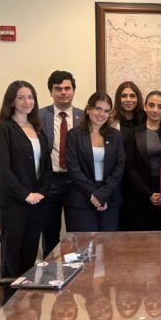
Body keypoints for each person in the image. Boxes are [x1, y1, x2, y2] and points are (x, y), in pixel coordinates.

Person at [0, 81, 52, 301]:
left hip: (37, 202)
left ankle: (25, 304)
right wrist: (25, 195)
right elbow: (1, 170)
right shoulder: (0, 129)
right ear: (11, 101)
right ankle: (9, 304)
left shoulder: (38, 130)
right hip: (13, 202)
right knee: (12, 256)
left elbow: (46, 167)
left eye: (31, 97)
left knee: (29, 255)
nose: (27, 102)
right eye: (21, 97)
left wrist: (41, 192)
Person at [39, 70, 84, 258]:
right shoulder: (39, 116)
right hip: (51, 182)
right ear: (51, 91)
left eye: (67, 88)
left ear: (73, 90)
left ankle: (76, 278)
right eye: (58, 89)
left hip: (76, 183)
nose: (63, 92)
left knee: (76, 233)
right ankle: (49, 278)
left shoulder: (84, 118)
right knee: (50, 233)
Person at [65, 92, 125, 231]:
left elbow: (119, 167)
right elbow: (73, 168)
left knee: (108, 246)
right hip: (82, 197)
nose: (101, 114)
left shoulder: (115, 135)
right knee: (86, 247)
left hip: (110, 197)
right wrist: (94, 194)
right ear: (88, 109)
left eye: (106, 111)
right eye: (98, 108)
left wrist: (102, 194)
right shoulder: (74, 135)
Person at [125, 90, 161, 230]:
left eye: (160, 106)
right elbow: (130, 167)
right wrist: (148, 194)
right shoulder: (133, 133)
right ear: (145, 107)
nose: (155, 110)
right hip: (142, 194)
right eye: (151, 105)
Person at [109, 81, 145, 231]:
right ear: (118, 99)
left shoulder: (146, 120)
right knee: (119, 225)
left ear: (138, 98)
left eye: (132, 95)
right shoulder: (110, 121)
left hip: (140, 181)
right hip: (118, 181)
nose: (128, 99)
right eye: (124, 96)